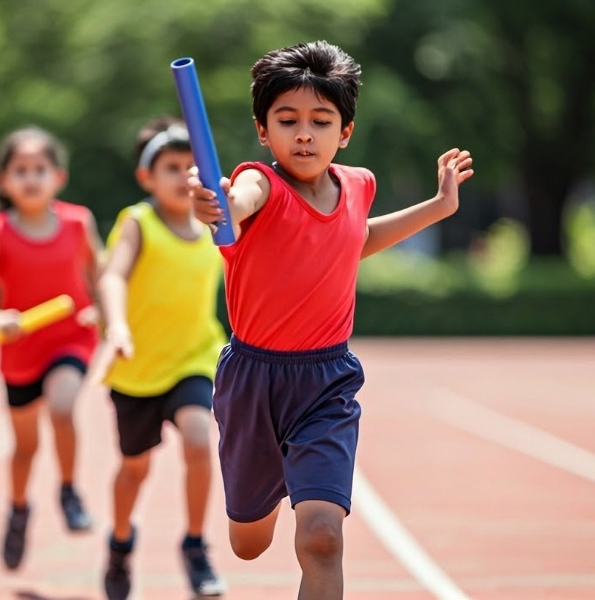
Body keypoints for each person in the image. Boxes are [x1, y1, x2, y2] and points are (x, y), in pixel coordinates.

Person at [188, 41, 473, 599]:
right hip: (253, 381)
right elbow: (239, 200)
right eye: (287, 120)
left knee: (321, 537)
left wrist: (438, 208)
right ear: (263, 130)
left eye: (321, 121)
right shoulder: (259, 185)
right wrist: (220, 205)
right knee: (248, 542)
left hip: (327, 382)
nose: (304, 134)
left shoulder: (359, 185)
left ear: (344, 131)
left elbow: (354, 239)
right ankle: (260, 493)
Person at [0, 126, 103, 571]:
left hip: (70, 339)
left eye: (40, 169)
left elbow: (102, 280)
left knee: (62, 407)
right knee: (24, 448)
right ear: (4, 181)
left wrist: (101, 311)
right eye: (20, 170)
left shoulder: (79, 222)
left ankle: (69, 489)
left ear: (58, 176)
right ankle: (19, 509)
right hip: (19, 350)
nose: (31, 178)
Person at [95, 117, 227, 599]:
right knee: (135, 469)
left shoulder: (216, 223)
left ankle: (195, 545)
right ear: (146, 176)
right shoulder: (138, 222)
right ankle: (120, 543)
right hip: (135, 368)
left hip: (194, 358)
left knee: (198, 440)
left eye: (193, 167)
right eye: (171, 167)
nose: (184, 176)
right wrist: (119, 325)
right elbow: (112, 277)